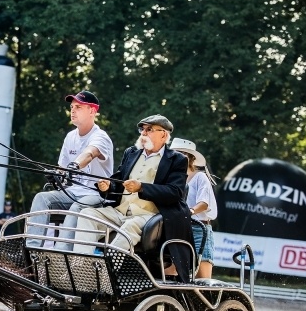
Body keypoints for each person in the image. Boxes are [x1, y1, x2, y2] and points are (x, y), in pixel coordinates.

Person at [73, 115, 194, 282]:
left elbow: (175, 192)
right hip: (120, 211)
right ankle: (80, 271)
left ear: (164, 135)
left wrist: (142, 187)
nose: (143, 133)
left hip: (150, 216)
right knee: (88, 215)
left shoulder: (177, 159)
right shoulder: (131, 153)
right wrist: (108, 186)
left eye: (149, 130)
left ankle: (105, 276)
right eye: (142, 129)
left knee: (130, 226)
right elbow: (118, 181)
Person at [26, 90, 114, 249]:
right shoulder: (70, 137)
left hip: (96, 195)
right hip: (72, 193)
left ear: (92, 111)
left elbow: (90, 153)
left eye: (78, 107)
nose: (73, 110)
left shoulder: (100, 136)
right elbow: (62, 169)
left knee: (76, 208)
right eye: (72, 107)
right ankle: (31, 250)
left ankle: (61, 253)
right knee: (41, 198)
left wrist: (75, 165)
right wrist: (56, 175)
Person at [170, 138, 218, 279]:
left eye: (182, 154)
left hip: (199, 228)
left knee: (202, 278)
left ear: (190, 158)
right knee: (172, 272)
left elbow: (204, 203)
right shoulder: (172, 179)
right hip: (178, 228)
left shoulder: (200, 177)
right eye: (175, 154)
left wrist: (189, 212)